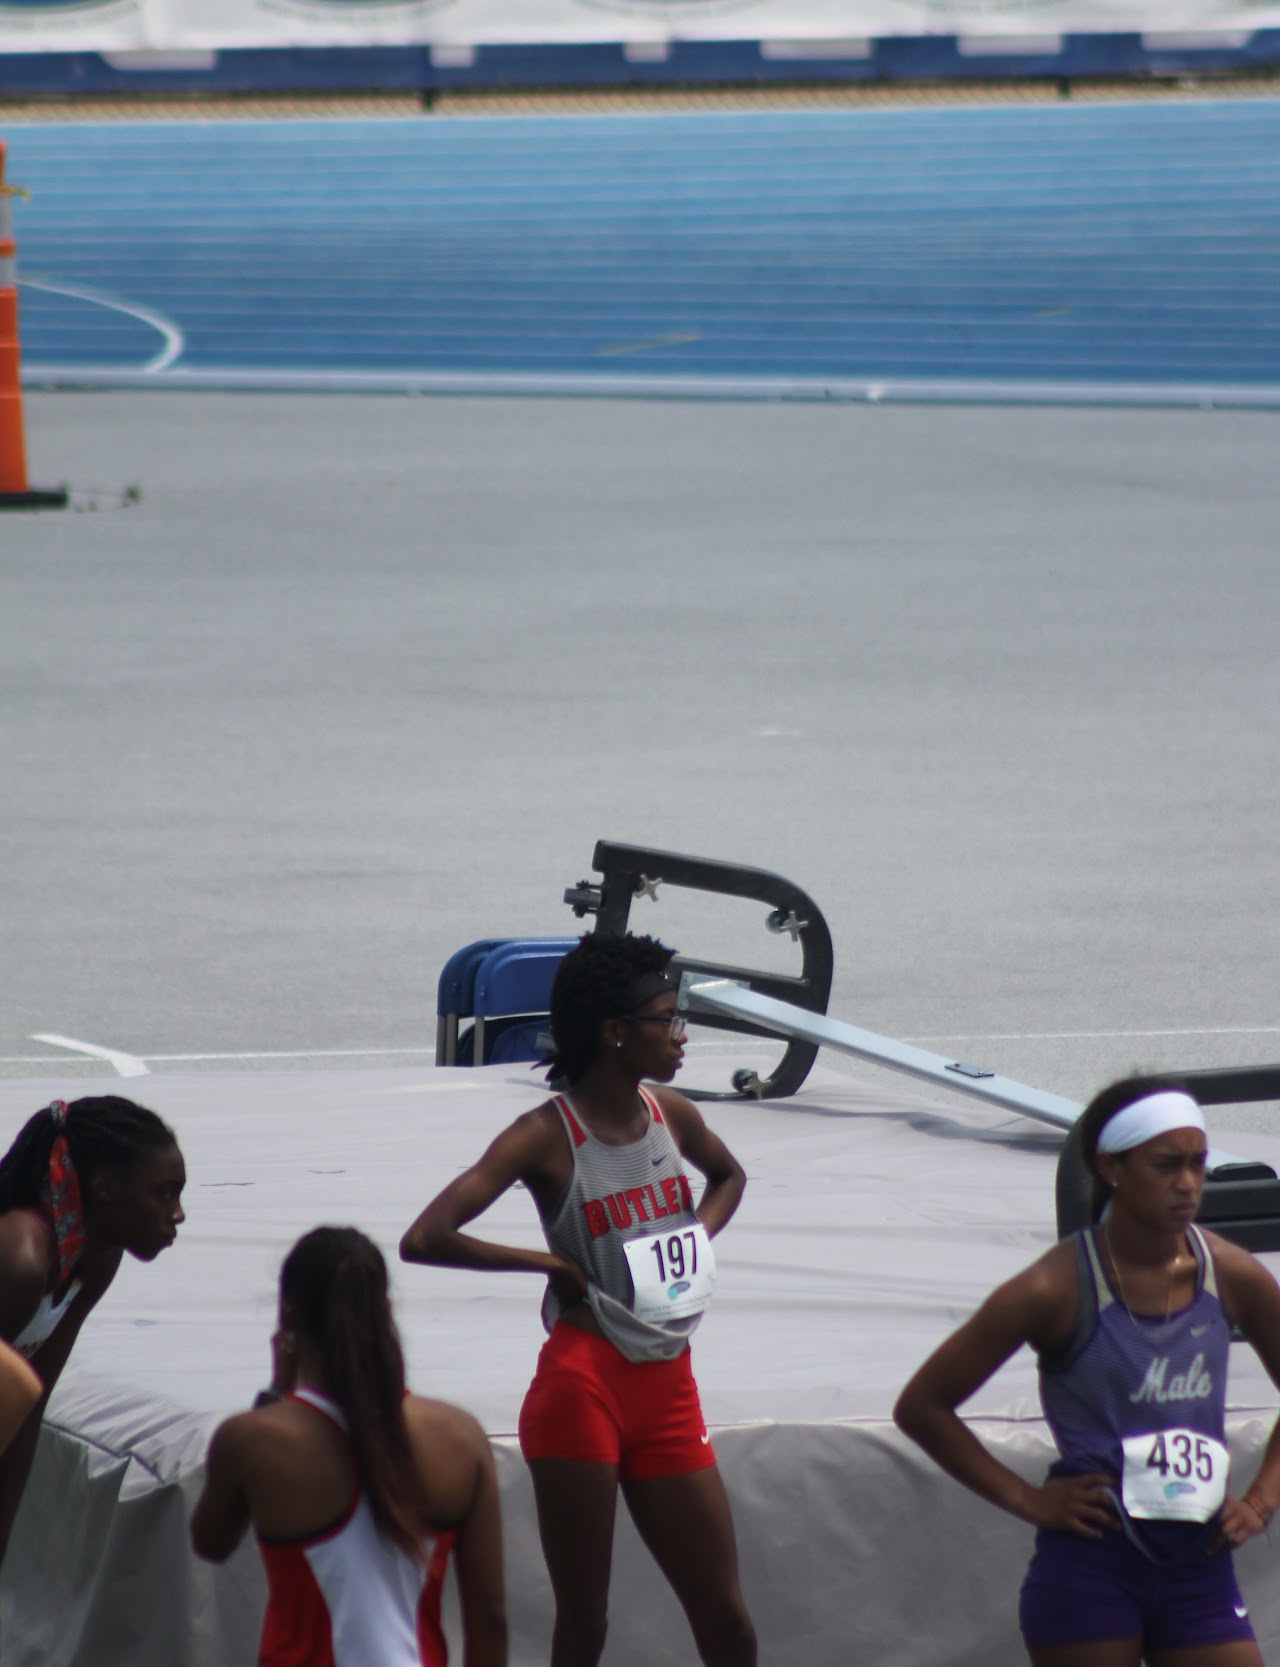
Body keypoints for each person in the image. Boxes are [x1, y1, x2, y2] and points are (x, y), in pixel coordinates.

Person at [400, 932, 757, 1667]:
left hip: (668, 1383)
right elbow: (426, 1235)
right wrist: (547, 1265)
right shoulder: (545, 1136)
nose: (682, 1034)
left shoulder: (671, 1115)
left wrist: (696, 1239)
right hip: (581, 1385)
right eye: (668, 1018)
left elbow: (729, 1176)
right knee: (584, 1624)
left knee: (728, 1623)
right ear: (615, 1031)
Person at [894, 1074, 1280, 1667]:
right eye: (1166, 1165)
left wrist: (1259, 1502)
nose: (1188, 1184)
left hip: (1200, 1567)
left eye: (1199, 1164)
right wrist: (1027, 1500)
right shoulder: (1052, 1287)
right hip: (1092, 1570)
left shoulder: (1234, 1275)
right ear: (1111, 1167)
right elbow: (921, 1407)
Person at [191, 1225, 507, 1667]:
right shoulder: (460, 1437)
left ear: (290, 1320)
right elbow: (491, 1618)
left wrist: (274, 1394)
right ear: (386, 1312)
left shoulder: (253, 1440)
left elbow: (210, 1542)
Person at [0, 1094, 186, 1565]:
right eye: (164, 1192)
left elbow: (25, 1412)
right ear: (105, 1187)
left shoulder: (97, 1261)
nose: (179, 1213)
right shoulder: (21, 1261)